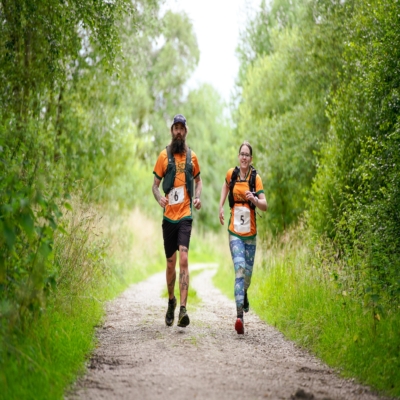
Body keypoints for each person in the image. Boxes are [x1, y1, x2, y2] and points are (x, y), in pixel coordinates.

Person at [152, 114, 202, 328]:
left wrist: (198, 197)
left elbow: (199, 182)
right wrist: (159, 198)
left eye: (182, 128)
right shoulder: (163, 156)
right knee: (171, 263)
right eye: (176, 128)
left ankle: (183, 310)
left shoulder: (192, 157)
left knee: (183, 259)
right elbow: (154, 185)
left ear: (186, 131)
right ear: (172, 131)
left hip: (185, 215)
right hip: (168, 218)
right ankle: (171, 301)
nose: (179, 132)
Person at [219, 141, 267, 335]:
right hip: (235, 233)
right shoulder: (232, 174)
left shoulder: (256, 178)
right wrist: (221, 206)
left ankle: (244, 294)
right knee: (239, 270)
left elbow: (265, 205)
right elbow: (225, 186)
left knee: (247, 277)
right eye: (242, 154)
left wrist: (254, 199)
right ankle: (239, 317)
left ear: (251, 158)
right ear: (238, 156)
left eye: (248, 154)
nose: (245, 157)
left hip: (251, 235)